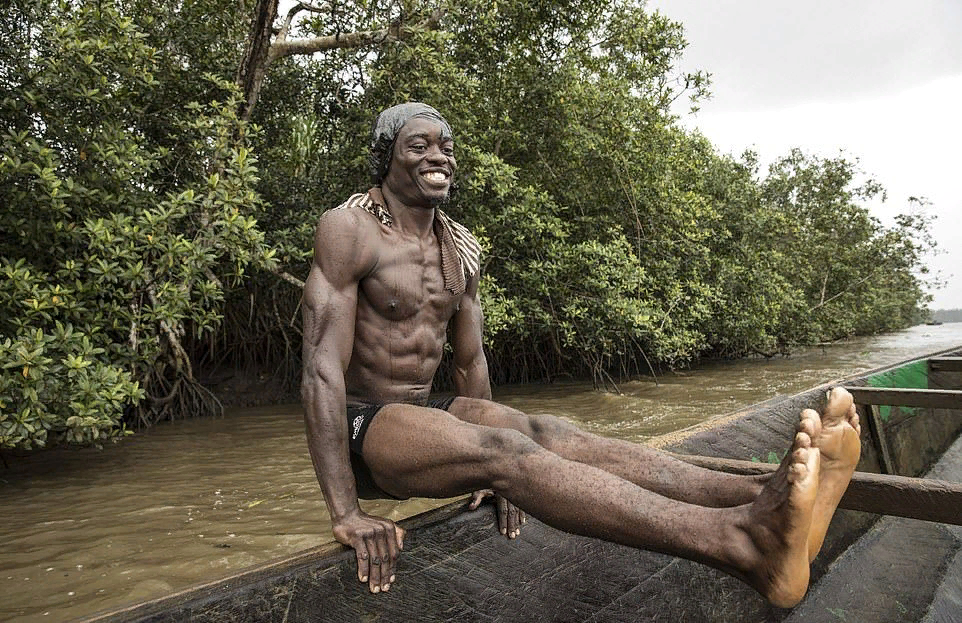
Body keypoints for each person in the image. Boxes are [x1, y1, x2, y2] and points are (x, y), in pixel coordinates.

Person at [300, 102, 862, 608]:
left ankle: (768, 500)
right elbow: (321, 372)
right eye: (417, 146)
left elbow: (471, 366)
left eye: (445, 146)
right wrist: (346, 512)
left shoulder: (458, 247)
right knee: (505, 449)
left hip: (425, 415)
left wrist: (483, 473)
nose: (436, 155)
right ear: (387, 158)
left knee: (548, 432)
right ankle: (739, 543)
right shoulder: (349, 229)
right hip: (362, 427)